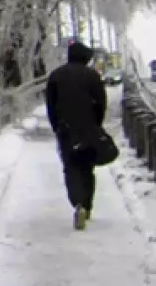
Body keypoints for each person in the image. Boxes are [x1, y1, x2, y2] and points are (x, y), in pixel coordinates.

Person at [44, 40, 108, 230]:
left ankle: (78, 203)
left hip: (66, 129)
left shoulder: (56, 76)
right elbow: (101, 102)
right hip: (88, 128)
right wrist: (96, 124)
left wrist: (56, 125)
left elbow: (50, 104)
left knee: (71, 168)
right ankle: (87, 206)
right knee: (87, 168)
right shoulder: (92, 76)